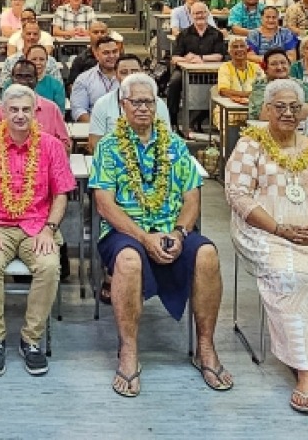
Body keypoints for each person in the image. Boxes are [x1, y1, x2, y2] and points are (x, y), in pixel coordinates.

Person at [91, 72, 232, 397]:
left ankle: (206, 348)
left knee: (207, 253)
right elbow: (105, 205)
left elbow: (192, 197)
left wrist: (181, 233)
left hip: (172, 229)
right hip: (125, 231)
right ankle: (128, 352)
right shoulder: (110, 148)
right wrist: (144, 238)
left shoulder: (176, 146)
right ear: (122, 105)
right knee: (127, 260)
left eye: (148, 102)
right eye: (135, 102)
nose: (142, 108)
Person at [226, 80, 308, 413]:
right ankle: (306, 370)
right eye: (279, 106)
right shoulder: (250, 145)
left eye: (294, 107)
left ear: (303, 111)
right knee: (288, 275)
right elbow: (237, 195)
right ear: (266, 109)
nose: (287, 113)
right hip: (263, 228)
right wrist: (279, 228)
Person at [0, 85, 76, 377]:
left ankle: (31, 340)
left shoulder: (51, 145)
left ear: (35, 113)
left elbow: (62, 193)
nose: (19, 115)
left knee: (50, 265)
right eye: (13, 110)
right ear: (2, 113)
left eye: (26, 110)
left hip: (38, 226)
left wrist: (49, 230)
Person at [90, 55, 170, 152]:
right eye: (124, 72)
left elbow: (167, 139)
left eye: (135, 72)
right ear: (115, 75)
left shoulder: (158, 103)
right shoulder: (102, 104)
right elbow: (95, 143)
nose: (130, 76)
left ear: (142, 72)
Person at [0, 60, 71, 152]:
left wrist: (45, 153)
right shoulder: (1, 111)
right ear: (12, 79)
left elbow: (65, 144)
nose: (23, 81)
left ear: (36, 80)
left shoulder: (52, 109)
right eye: (19, 76)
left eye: (28, 77)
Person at [247, 49, 308, 120]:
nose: (279, 67)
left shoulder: (302, 85)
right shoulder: (260, 87)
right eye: (274, 64)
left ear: (289, 65)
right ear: (265, 69)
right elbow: (261, 115)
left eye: (283, 63)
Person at [71, 36, 123, 124]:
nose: (112, 56)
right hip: (94, 128)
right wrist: (96, 128)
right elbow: (78, 110)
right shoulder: (84, 79)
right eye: (106, 53)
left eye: (115, 52)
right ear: (97, 55)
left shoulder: (129, 78)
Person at [217, 37, 262, 103]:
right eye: (235, 47)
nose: (239, 49)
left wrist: (240, 95)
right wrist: (248, 94)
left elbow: (262, 89)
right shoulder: (225, 67)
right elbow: (223, 91)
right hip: (230, 105)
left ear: (246, 50)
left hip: (254, 104)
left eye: (242, 46)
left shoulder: (256, 67)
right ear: (230, 52)